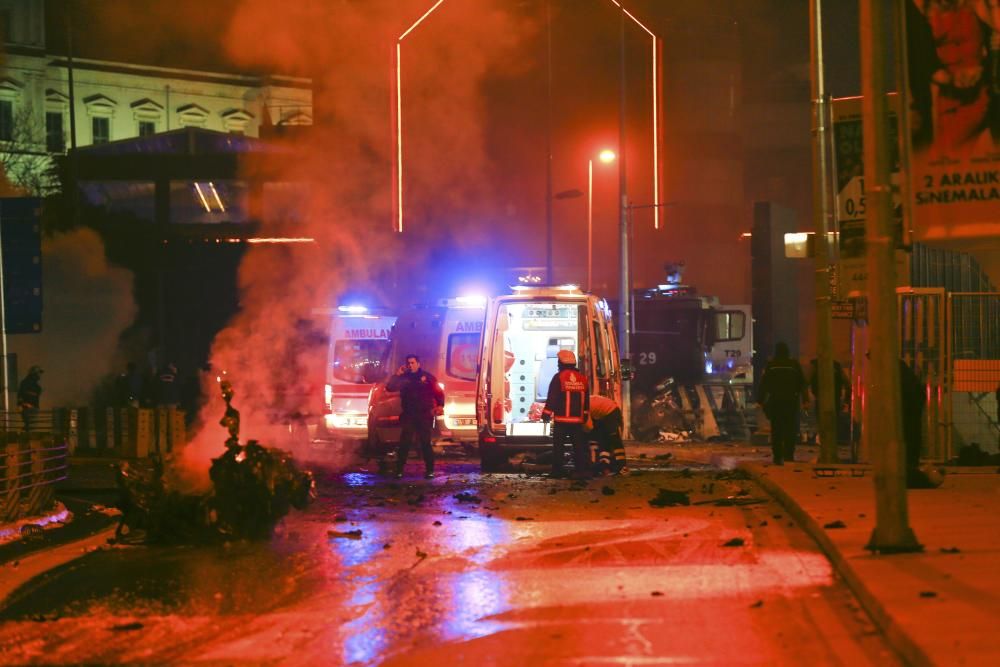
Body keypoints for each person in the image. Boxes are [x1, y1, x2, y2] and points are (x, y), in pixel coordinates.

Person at [386, 354, 444, 479]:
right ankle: (399, 470)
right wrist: (397, 374)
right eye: (409, 363)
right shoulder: (403, 377)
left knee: (425, 443)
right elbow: (390, 388)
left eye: (413, 363)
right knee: (405, 443)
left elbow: (438, 392)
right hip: (409, 414)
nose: (410, 365)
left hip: (424, 414)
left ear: (418, 363)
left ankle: (429, 470)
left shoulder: (427, 377)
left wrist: (440, 405)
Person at [541, 350, 591, 479]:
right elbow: (586, 400)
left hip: (562, 421)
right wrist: (585, 416)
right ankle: (581, 471)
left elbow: (552, 397)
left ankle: (557, 471)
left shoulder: (559, 377)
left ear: (561, 363)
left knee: (559, 447)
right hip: (577, 421)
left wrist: (546, 414)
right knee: (578, 447)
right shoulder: (582, 378)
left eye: (558, 363)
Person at [757, 342, 808, 465]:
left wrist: (760, 400)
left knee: (777, 429)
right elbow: (802, 383)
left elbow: (764, 384)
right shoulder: (794, 365)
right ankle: (789, 454)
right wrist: (805, 400)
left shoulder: (771, 365)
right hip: (791, 401)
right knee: (790, 428)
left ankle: (777, 456)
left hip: (776, 402)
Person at [586, 394, 627, 475]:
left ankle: (622, 467)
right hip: (604, 413)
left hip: (611, 412)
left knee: (614, 441)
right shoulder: (585, 403)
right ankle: (605, 465)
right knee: (604, 441)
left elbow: (588, 427)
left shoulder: (583, 407)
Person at [17, 365, 43, 431]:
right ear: (34, 374)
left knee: (31, 427)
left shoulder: (36, 386)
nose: (40, 375)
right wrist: (22, 404)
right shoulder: (26, 383)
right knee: (30, 427)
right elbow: (21, 395)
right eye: (38, 373)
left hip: (32, 408)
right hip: (27, 408)